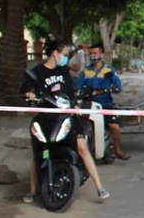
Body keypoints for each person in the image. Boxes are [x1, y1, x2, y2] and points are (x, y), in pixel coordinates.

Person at [20, 38, 110, 202]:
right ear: (55, 53)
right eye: (65, 54)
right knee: (38, 151)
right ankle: (32, 190)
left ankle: (99, 187)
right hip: (46, 117)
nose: (66, 58)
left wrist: (74, 105)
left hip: (67, 115)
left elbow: (70, 92)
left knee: (82, 148)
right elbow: (24, 91)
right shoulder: (38, 71)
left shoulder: (64, 72)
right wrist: (30, 94)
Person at [77, 43, 129, 160]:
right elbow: (78, 86)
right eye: (91, 54)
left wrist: (113, 88)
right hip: (88, 104)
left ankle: (117, 149)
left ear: (102, 55)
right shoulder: (86, 71)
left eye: (95, 53)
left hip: (105, 104)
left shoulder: (109, 70)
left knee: (115, 127)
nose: (92, 56)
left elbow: (118, 86)